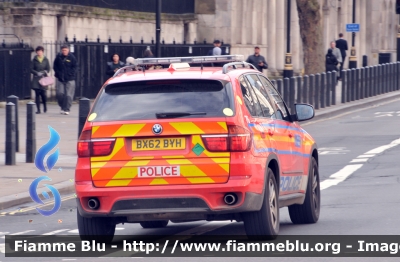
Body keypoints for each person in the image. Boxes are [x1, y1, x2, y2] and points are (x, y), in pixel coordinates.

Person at [53, 45, 78, 115]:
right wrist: (58, 73)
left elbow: (75, 67)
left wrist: (70, 74)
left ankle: (67, 109)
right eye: (63, 50)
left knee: (68, 95)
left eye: (66, 50)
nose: (64, 52)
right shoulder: (58, 57)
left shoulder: (72, 58)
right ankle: (62, 106)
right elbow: (55, 66)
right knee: (60, 93)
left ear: (68, 50)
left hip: (70, 79)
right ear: (61, 50)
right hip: (61, 79)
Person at [30, 46, 50, 114]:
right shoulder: (34, 59)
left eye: (40, 51)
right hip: (36, 79)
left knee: (43, 94)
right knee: (37, 94)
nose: (39, 52)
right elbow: (31, 69)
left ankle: (45, 105)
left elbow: (48, 68)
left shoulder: (46, 59)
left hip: (43, 78)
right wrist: (36, 73)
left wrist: (43, 72)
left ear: (42, 52)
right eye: (38, 51)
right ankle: (38, 109)